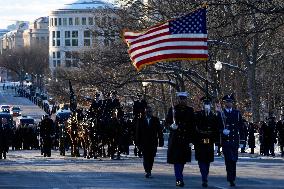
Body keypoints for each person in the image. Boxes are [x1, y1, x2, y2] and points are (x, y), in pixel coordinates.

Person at [166, 91, 195, 187]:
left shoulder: (190, 110)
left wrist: (191, 139)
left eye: (184, 99)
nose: (182, 101)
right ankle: (179, 179)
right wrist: (171, 126)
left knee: (182, 160)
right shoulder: (173, 109)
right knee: (177, 160)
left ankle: (179, 176)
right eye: (180, 99)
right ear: (178, 99)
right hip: (176, 138)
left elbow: (192, 125)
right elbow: (167, 122)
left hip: (185, 138)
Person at [217, 94, 245, 187]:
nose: (229, 103)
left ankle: (233, 176)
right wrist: (222, 131)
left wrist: (242, 141)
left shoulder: (237, 113)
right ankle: (231, 179)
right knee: (228, 160)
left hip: (235, 140)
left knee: (234, 160)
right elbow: (217, 127)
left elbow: (241, 127)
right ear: (224, 103)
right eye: (227, 102)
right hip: (226, 141)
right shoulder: (221, 113)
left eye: (230, 102)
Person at [194, 96, 220, 187]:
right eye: (205, 104)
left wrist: (217, 142)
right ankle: (204, 177)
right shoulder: (197, 115)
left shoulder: (213, 116)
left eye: (208, 104)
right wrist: (193, 140)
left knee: (207, 160)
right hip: (200, 140)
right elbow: (194, 128)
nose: (206, 105)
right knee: (201, 160)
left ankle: (205, 176)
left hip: (209, 140)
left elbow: (216, 129)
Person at [136, 106, 164, 178]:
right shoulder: (140, 120)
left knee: (151, 157)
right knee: (145, 157)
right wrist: (137, 143)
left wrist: (161, 141)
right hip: (144, 142)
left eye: (150, 112)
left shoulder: (156, 120)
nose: (148, 113)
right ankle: (147, 171)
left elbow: (159, 131)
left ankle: (149, 169)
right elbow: (138, 132)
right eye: (147, 112)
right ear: (145, 112)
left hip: (153, 142)